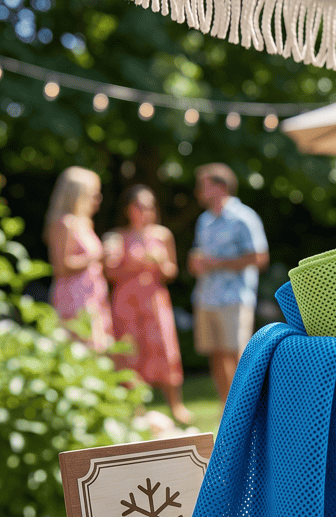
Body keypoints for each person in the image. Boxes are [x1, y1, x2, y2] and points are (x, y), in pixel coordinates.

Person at [103, 184, 193, 426]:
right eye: (140, 206)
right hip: (126, 303)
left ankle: (176, 406)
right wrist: (139, 262)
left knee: (165, 349)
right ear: (128, 208)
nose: (145, 211)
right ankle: (137, 409)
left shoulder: (162, 235)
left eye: (150, 206)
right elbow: (109, 272)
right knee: (131, 352)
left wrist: (161, 263)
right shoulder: (115, 236)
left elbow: (171, 272)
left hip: (154, 300)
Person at [189, 163, 269, 405]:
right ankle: (227, 408)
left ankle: (246, 410)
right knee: (216, 355)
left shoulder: (244, 217)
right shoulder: (204, 221)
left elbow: (259, 258)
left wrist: (217, 263)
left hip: (234, 297)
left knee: (238, 356)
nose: (198, 190)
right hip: (206, 297)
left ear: (220, 187)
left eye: (203, 185)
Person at [43, 166, 114, 351]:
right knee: (82, 350)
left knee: (99, 348)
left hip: (92, 295)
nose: (97, 199)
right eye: (93, 194)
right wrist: (96, 256)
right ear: (77, 194)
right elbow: (60, 267)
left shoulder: (85, 223)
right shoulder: (64, 224)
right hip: (74, 298)